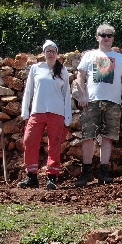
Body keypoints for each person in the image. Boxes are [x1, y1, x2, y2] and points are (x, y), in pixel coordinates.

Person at [75, 23, 122, 186]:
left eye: (110, 35)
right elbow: (80, 77)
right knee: (88, 137)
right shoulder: (88, 56)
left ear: (113, 38)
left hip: (113, 102)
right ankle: (86, 172)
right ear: (97, 37)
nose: (107, 38)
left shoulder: (120, 58)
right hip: (91, 101)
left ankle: (104, 171)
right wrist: (82, 95)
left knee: (108, 138)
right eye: (103, 35)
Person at [18, 40, 72, 190]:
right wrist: (25, 112)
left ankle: (52, 177)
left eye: (53, 50)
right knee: (29, 141)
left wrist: (68, 116)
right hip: (38, 110)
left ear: (57, 53)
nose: (51, 53)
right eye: (48, 50)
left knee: (54, 144)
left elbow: (66, 94)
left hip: (57, 112)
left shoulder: (62, 71)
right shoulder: (36, 68)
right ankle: (32, 176)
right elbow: (29, 91)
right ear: (44, 53)